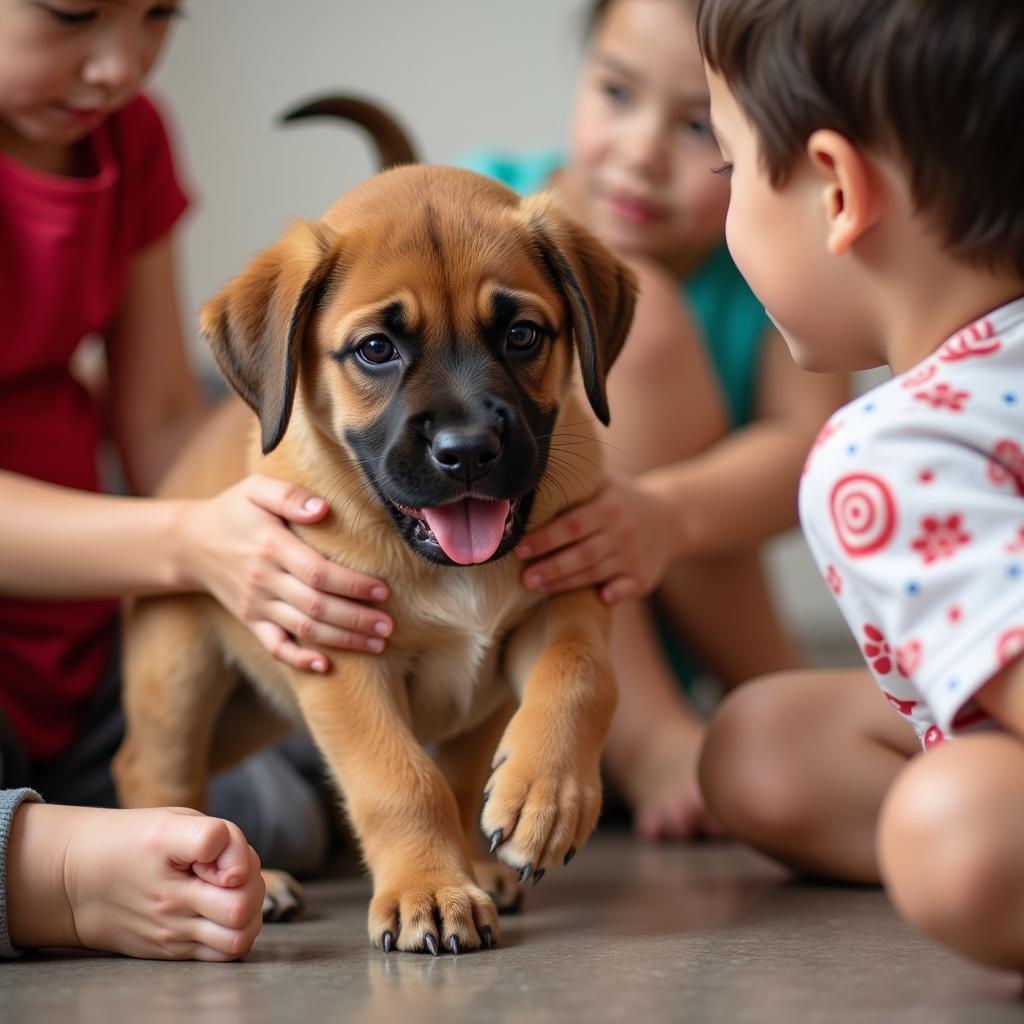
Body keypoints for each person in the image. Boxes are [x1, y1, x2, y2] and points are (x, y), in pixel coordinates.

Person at [0, 0, 392, 956]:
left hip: (88, 644)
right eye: (73, 15)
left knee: (279, 812)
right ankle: (47, 871)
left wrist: (271, 538)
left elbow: (168, 428)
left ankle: (88, 827)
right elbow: (176, 520)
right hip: (99, 575)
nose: (118, 65)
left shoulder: (126, 138)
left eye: (157, 18)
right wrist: (186, 542)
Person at [462, 0, 847, 838]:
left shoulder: (765, 260)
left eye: (699, 129)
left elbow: (811, 452)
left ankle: (767, 698)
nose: (638, 152)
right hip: (501, 640)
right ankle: (646, 736)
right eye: (615, 92)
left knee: (655, 349)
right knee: (640, 322)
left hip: (673, 611)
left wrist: (669, 514)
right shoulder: (481, 217)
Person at [694, 0, 1024, 970]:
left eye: (729, 167)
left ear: (835, 189)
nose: (724, 206)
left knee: (950, 831)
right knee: (758, 742)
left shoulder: (890, 454)